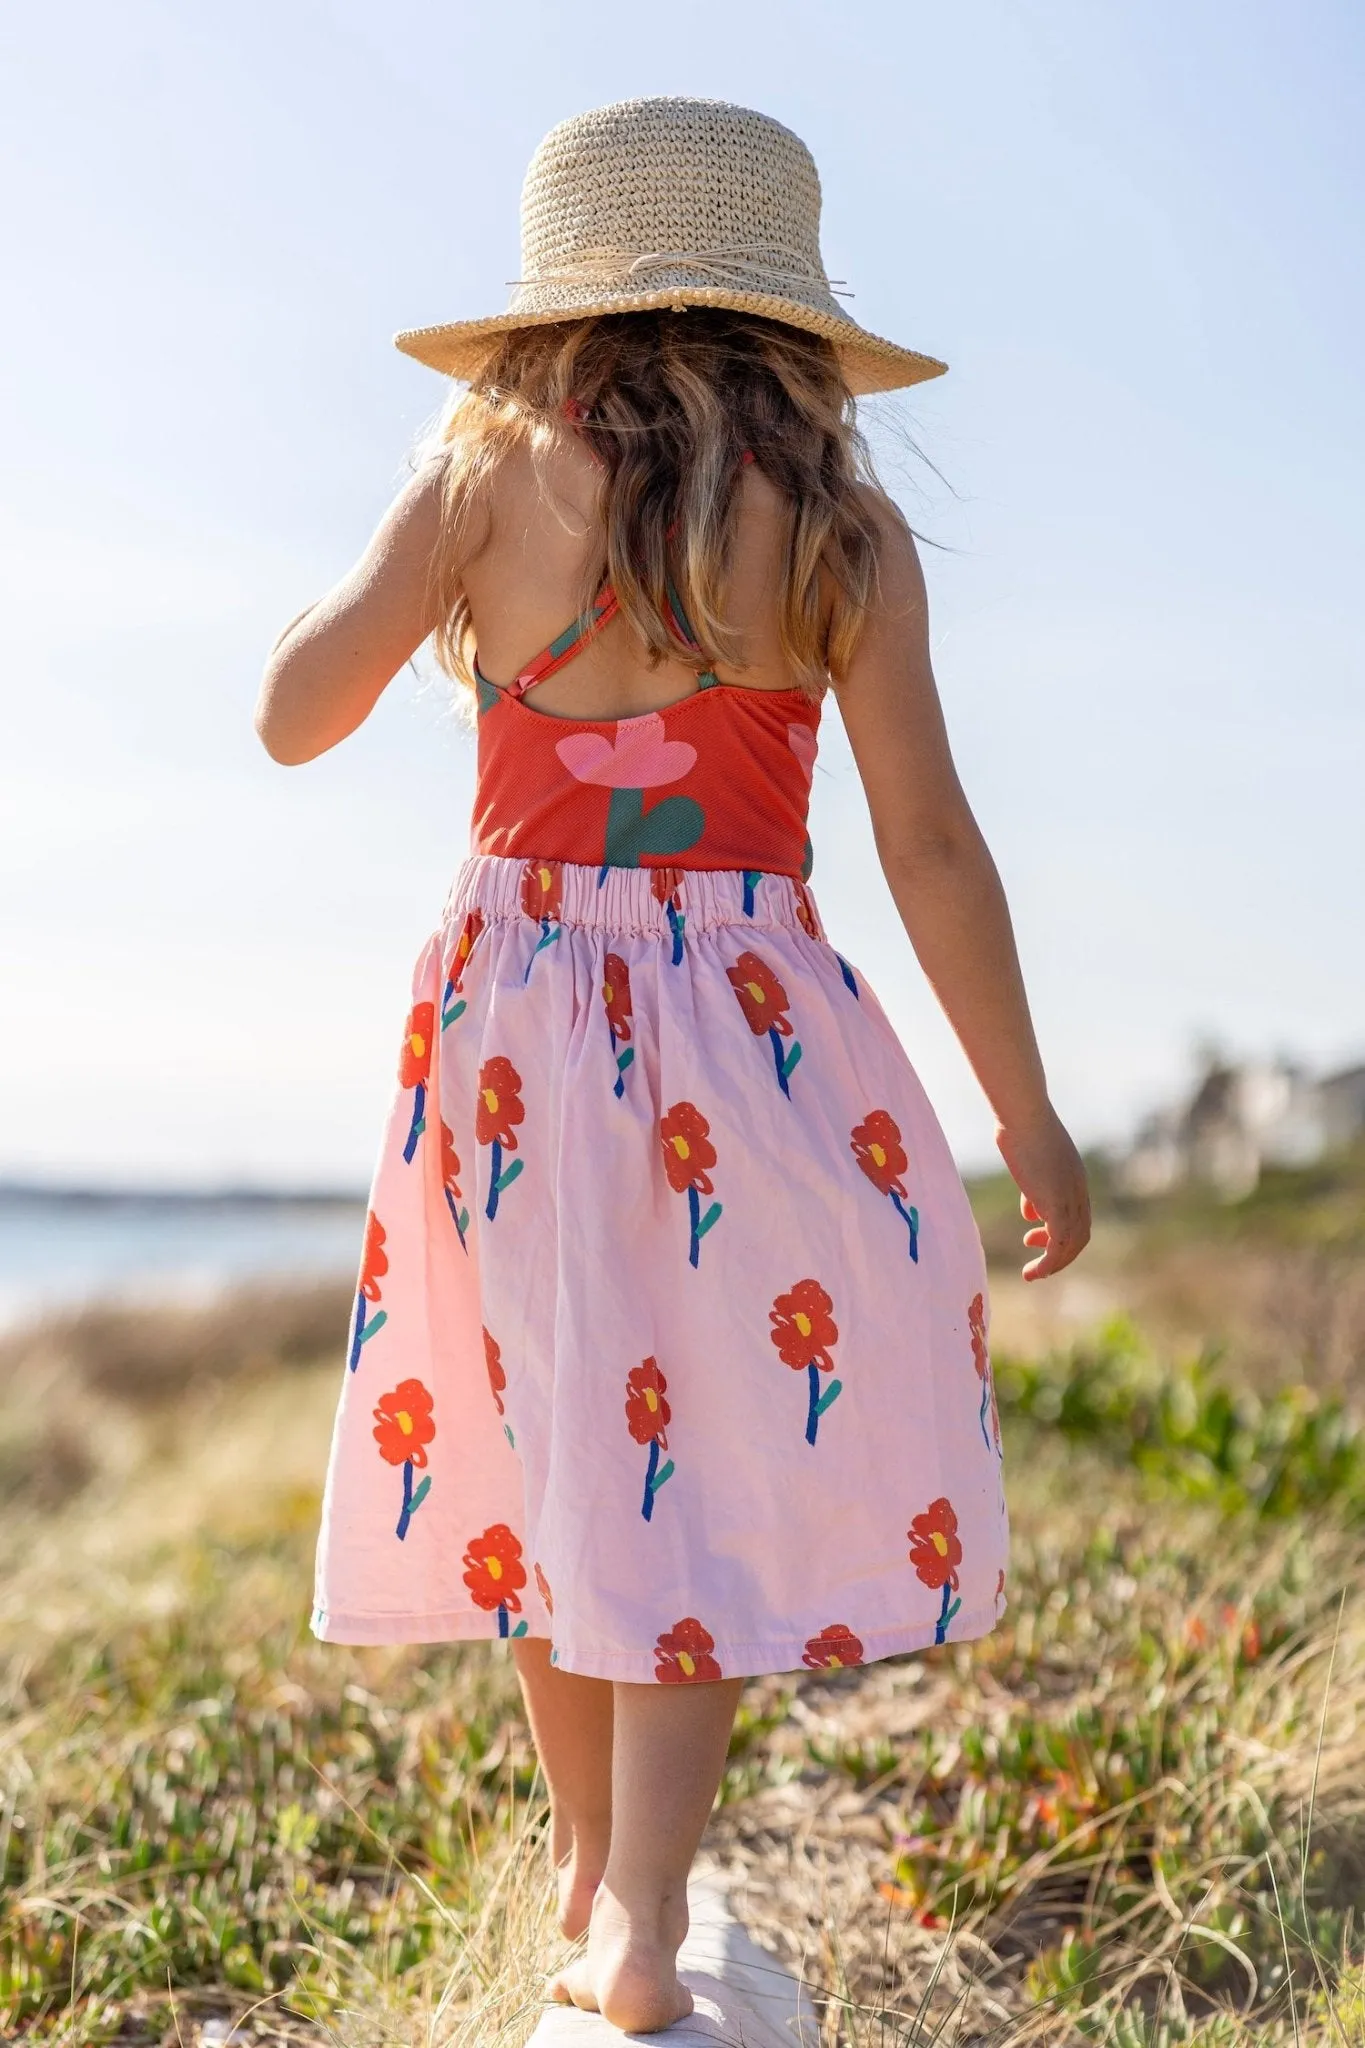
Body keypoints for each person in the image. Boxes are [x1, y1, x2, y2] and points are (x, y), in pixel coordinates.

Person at [255, 95, 1090, 2035]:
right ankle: (636, 1902)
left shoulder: (480, 478)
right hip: (744, 1025)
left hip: (511, 1035)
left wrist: (408, 545)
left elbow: (297, 713)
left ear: (553, 311)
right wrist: (1021, 1107)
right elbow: (932, 842)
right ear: (790, 325)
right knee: (686, 1453)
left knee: (557, 1445)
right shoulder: (844, 535)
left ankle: (591, 1880)